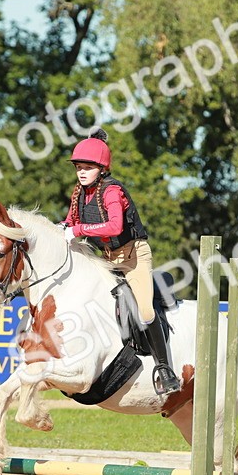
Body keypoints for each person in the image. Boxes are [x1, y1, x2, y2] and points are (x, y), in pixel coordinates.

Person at [62, 129, 182, 395]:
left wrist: (79, 230)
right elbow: (70, 223)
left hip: (133, 257)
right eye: (79, 167)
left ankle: (165, 369)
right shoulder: (79, 194)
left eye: (88, 167)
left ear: (101, 168)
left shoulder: (112, 191)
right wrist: (60, 229)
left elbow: (115, 226)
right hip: (106, 259)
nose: (82, 172)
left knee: (145, 311)